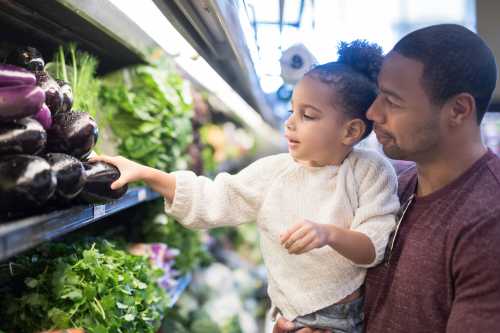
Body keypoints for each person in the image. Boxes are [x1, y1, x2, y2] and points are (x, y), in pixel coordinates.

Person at [91, 41, 399, 332]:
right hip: (286, 315)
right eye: (292, 110)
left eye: (308, 115)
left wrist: (327, 233)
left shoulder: (370, 171)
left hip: (340, 320)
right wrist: (147, 173)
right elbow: (211, 198)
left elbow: (374, 247)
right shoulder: (274, 172)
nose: (290, 123)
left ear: (351, 131)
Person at [274, 24, 500, 333]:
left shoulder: (489, 220)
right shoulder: (393, 184)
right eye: (378, 94)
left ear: (458, 110)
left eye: (392, 101)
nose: (372, 112)